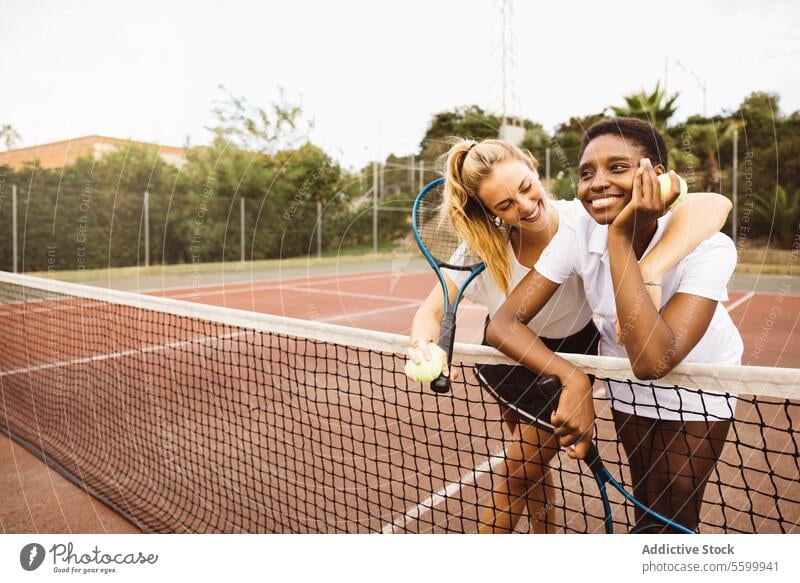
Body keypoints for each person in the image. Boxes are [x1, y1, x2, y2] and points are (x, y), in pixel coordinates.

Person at [406, 136, 733, 533]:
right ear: (489, 212)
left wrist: (669, 188)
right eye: (505, 205)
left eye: (527, 188)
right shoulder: (479, 250)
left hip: (572, 352)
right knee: (532, 470)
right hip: (508, 355)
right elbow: (432, 311)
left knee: (516, 472)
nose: (525, 207)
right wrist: (425, 346)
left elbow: (712, 203)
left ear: (534, 168)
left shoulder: (578, 220)